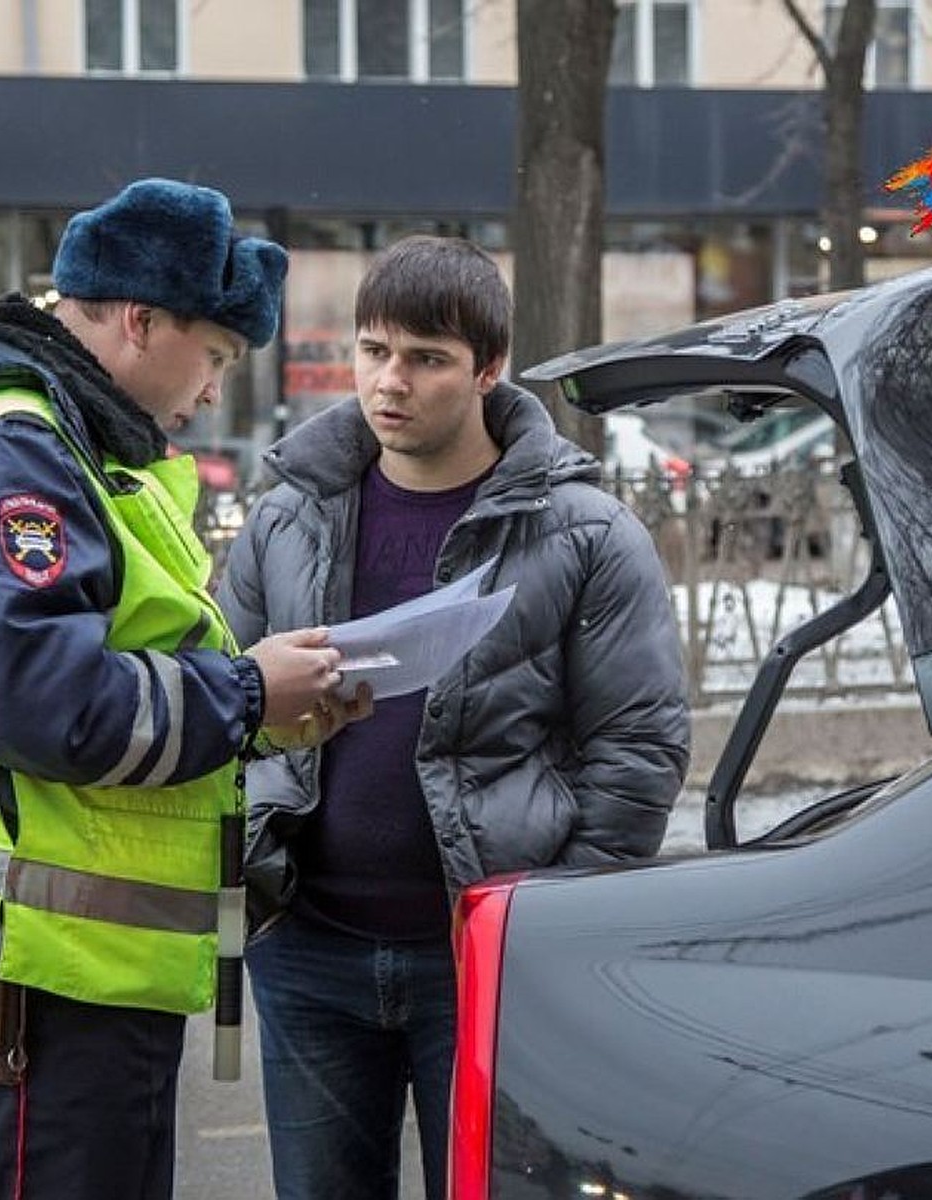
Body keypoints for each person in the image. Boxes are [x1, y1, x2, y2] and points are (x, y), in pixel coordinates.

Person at [0, 178, 354, 1200]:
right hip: (47, 979)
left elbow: (131, 670)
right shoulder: (17, 454)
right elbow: (49, 707)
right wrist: (244, 698)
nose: (216, 389)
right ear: (140, 321)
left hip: (83, 969)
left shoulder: (67, 448)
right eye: (217, 355)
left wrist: (265, 712)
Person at [216, 234, 691, 1200]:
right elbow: (229, 701)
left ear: (488, 369)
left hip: (485, 960)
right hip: (307, 950)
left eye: (427, 359)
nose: (391, 382)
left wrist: (547, 927)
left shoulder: (582, 531)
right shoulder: (289, 515)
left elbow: (637, 751)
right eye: (374, 350)